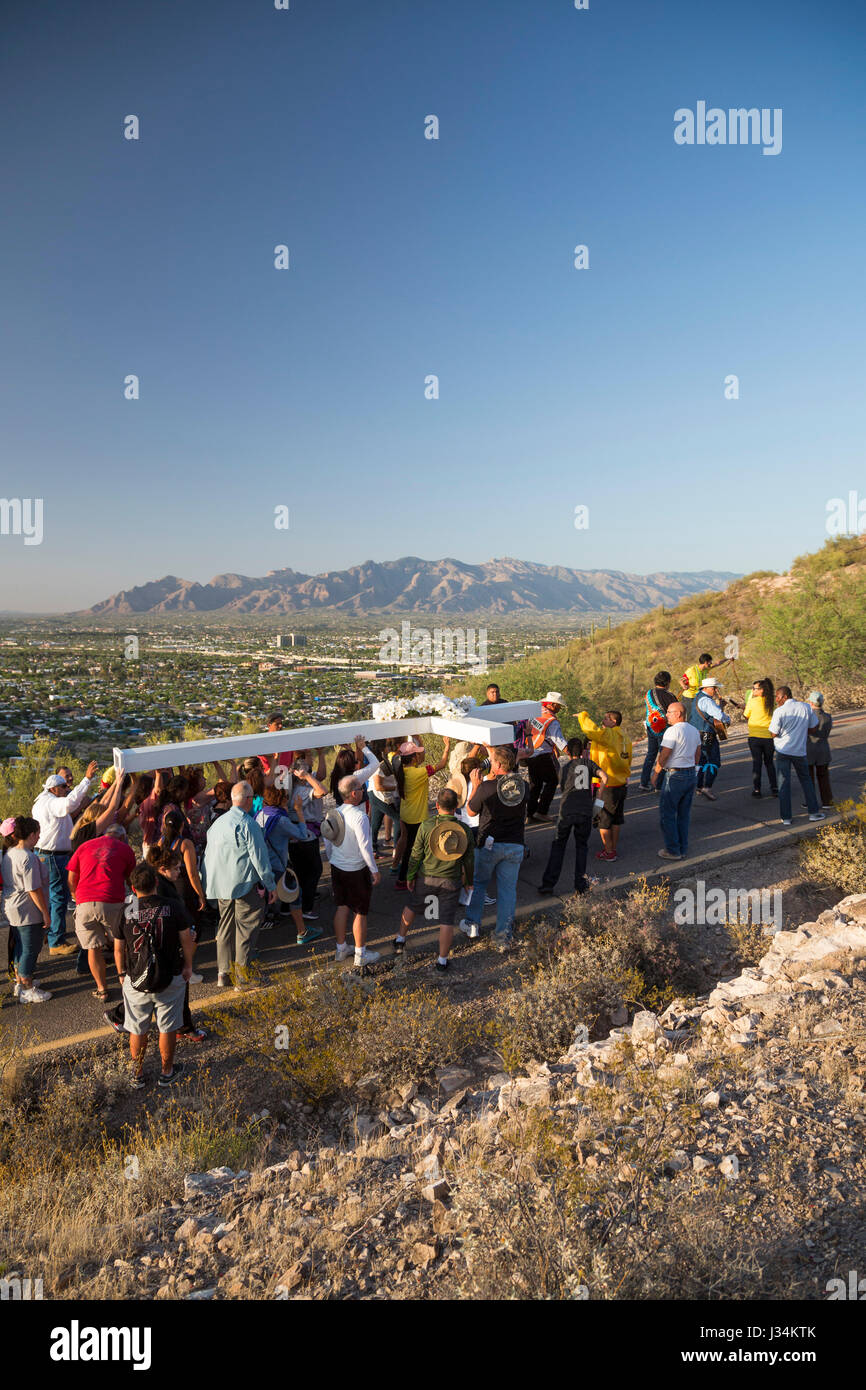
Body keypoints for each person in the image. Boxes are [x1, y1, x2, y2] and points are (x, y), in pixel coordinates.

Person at [113, 861, 193, 1088]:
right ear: (156, 882)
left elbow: (119, 948)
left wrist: (121, 974)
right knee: (167, 1026)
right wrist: (188, 966)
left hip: (137, 978)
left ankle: (136, 1074)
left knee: (137, 1027)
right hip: (169, 974)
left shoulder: (126, 910)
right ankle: (166, 1072)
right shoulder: (172, 906)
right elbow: (186, 939)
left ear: (133, 887)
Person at [203, 781, 277, 989]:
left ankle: (223, 973)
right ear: (247, 799)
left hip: (220, 885)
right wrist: (270, 885)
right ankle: (242, 978)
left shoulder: (217, 823)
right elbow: (259, 858)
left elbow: (208, 856)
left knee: (225, 928)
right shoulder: (248, 823)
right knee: (246, 928)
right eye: (252, 798)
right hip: (243, 883)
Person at [394, 788, 475, 970]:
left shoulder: (427, 825)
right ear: (456, 807)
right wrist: (469, 881)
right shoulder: (464, 830)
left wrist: (410, 875)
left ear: (437, 805)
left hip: (426, 877)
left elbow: (416, 853)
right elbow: (469, 860)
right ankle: (442, 960)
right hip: (451, 880)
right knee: (446, 920)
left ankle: (400, 939)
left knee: (413, 905)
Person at [458, 745, 527, 950]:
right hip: (515, 843)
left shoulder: (487, 788)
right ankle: (503, 936)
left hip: (489, 843)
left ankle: (472, 924)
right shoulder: (524, 786)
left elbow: (470, 812)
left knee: (479, 884)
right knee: (507, 891)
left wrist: (478, 786)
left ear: (497, 765)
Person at [31, 761, 99, 953]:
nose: (66, 789)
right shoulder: (52, 802)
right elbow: (70, 803)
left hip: (46, 854)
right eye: (63, 786)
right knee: (59, 898)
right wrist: (86, 779)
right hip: (53, 857)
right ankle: (56, 942)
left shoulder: (42, 801)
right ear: (53, 788)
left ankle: (50, 933)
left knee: (52, 898)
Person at [68, 823, 136, 1003]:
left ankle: (102, 989)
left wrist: (76, 896)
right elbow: (132, 879)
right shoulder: (125, 849)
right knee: (120, 943)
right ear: (122, 837)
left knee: (93, 948)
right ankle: (127, 982)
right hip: (111, 902)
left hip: (85, 904)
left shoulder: (84, 846)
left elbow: (71, 876)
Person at [321, 775, 381, 967]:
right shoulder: (360, 816)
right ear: (354, 793)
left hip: (338, 867)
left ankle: (341, 949)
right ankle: (360, 954)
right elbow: (365, 847)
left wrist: (332, 859)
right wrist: (375, 870)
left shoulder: (332, 814)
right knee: (360, 912)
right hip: (356, 869)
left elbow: (328, 842)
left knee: (341, 907)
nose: (363, 791)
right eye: (361, 789)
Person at [255, 786, 323, 945]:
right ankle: (302, 932)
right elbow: (302, 834)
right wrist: (299, 812)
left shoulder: (262, 814)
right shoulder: (281, 819)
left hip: (263, 862)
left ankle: (254, 940)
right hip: (277, 864)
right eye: (286, 796)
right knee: (295, 894)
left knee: (263, 899)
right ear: (281, 800)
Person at [539, 737, 606, 896]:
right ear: (583, 750)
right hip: (585, 810)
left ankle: (548, 884)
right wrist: (598, 798)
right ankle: (580, 885)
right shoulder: (588, 764)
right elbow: (605, 777)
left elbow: (563, 788)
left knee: (558, 846)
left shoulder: (565, 767)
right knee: (581, 847)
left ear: (568, 752)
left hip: (567, 811)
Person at [2, 816, 51, 1002]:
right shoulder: (28, 857)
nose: (39, 837)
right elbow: (33, 889)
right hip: (27, 910)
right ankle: (26, 987)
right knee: (31, 947)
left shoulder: (10, 853)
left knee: (21, 946)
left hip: (12, 906)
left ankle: (20, 981)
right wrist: (45, 914)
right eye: (37, 834)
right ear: (31, 834)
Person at [576, 709, 633, 861]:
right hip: (621, 783)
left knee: (603, 820)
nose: (603, 720)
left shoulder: (609, 735)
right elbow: (628, 759)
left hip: (607, 786)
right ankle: (612, 848)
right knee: (616, 819)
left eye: (606, 718)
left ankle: (608, 852)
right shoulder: (624, 737)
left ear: (614, 721)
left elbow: (591, 731)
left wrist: (583, 716)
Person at [393, 737, 450, 889]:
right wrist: (446, 747)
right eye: (417, 754)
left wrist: (420, 742)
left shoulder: (402, 770)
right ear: (413, 758)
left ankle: (404, 879)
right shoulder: (418, 773)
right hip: (416, 818)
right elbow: (442, 764)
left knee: (410, 848)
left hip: (406, 815)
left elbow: (422, 757)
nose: (420, 756)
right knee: (415, 851)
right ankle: (405, 880)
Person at [652, 702, 702, 860]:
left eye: (669, 712)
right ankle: (682, 847)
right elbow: (698, 753)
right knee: (683, 814)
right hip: (689, 773)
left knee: (667, 814)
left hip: (675, 775)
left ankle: (673, 850)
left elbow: (665, 754)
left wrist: (655, 773)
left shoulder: (672, 731)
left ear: (679, 713)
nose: (666, 715)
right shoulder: (693, 730)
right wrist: (693, 768)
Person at [768, 688, 825, 826]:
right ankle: (813, 813)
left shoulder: (779, 711)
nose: (776, 699)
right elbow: (813, 727)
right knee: (806, 782)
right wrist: (801, 732)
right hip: (799, 751)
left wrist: (782, 732)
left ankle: (786, 817)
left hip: (783, 750)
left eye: (778, 697)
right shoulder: (805, 707)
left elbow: (773, 733)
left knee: (783, 784)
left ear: (785, 696)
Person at [522, 693, 568, 822]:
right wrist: (573, 753)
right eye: (559, 706)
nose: (560, 709)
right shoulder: (551, 721)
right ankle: (541, 811)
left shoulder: (536, 712)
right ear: (552, 705)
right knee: (552, 781)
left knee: (535, 784)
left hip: (530, 752)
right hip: (543, 755)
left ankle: (529, 814)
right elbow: (559, 741)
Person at [730, 678, 777, 797]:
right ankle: (774, 788)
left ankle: (757, 790)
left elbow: (746, 716)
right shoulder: (772, 702)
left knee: (757, 763)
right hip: (768, 737)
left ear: (761, 690)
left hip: (755, 737)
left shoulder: (752, 701)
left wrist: (745, 708)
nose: (753, 690)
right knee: (769, 763)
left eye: (755, 688)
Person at [688, 677, 731, 801]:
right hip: (707, 734)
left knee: (700, 760)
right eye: (714, 688)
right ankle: (707, 787)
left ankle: (699, 785)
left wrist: (719, 706)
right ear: (707, 688)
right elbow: (719, 716)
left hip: (696, 732)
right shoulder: (707, 701)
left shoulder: (698, 697)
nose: (716, 690)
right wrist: (728, 719)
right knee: (714, 761)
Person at [639, 672, 676, 792]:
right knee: (663, 756)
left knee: (651, 754)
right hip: (664, 730)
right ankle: (658, 784)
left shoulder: (648, 693)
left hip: (651, 727)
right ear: (667, 682)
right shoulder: (669, 696)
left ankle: (644, 782)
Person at [806, 692, 834, 808]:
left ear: (811, 702)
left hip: (809, 749)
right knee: (824, 778)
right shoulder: (828, 717)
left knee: (809, 778)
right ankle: (827, 801)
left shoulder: (807, 717)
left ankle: (811, 802)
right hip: (823, 750)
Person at [680, 653, 718, 717]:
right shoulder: (692, 670)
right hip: (689, 698)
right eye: (710, 662)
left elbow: (717, 664)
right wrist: (684, 686)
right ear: (706, 662)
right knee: (690, 717)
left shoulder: (705, 670)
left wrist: (727, 659)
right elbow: (681, 680)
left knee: (699, 716)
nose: (711, 664)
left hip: (698, 697)